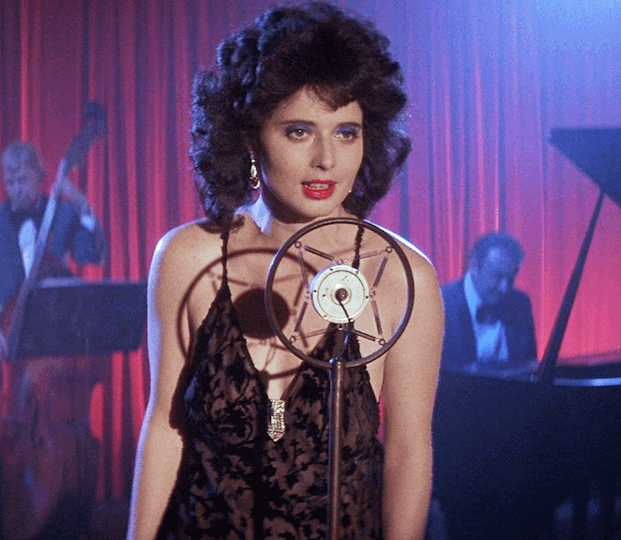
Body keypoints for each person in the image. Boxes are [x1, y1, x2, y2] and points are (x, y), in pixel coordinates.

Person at [127, 4, 443, 540]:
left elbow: (409, 452)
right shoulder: (189, 256)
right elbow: (165, 428)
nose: (326, 159)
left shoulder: (399, 275)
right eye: (300, 131)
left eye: (346, 133)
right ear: (251, 136)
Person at [0, 141, 105, 539]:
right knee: (7, 424)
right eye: (9, 181)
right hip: (6, 336)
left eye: (22, 180)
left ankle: (62, 509)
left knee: (55, 415)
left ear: (41, 178)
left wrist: (83, 207)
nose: (15, 188)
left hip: (55, 333)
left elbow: (91, 255)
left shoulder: (61, 214)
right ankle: (7, 506)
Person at [439, 232, 537, 374]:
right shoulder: (441, 304)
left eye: (510, 279)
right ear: (474, 266)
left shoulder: (521, 304)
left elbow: (529, 367)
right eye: (497, 276)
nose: (504, 288)